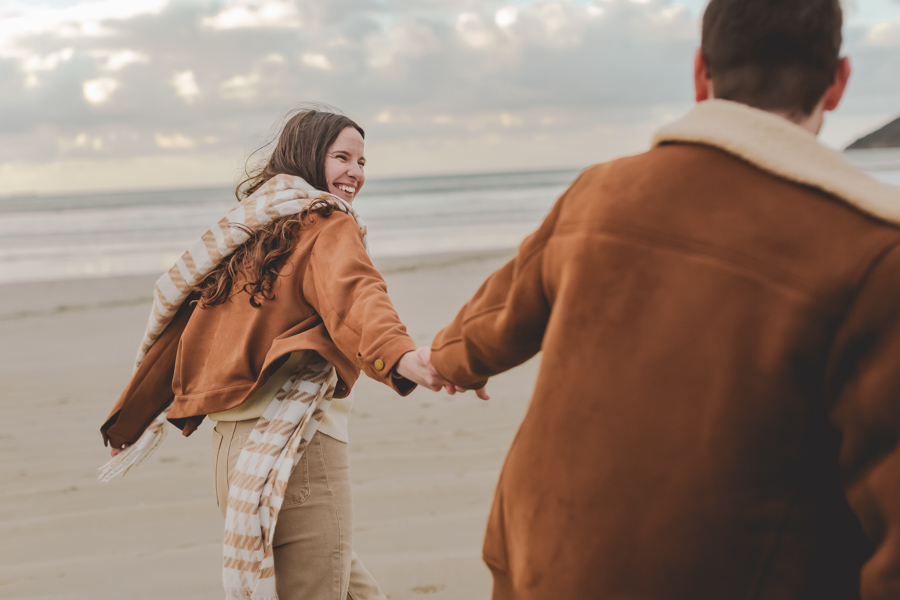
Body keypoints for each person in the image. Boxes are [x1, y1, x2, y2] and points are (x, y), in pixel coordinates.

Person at [426, 0, 900, 598]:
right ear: (837, 83)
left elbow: (497, 319)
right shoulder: (874, 252)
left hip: (536, 562)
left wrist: (441, 361)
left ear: (701, 74)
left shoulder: (602, 191)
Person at [100, 108, 473, 600]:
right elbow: (356, 295)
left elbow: (182, 333)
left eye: (362, 162)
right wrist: (401, 356)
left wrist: (129, 420)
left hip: (233, 456)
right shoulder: (327, 225)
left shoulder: (247, 232)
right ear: (307, 157)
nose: (355, 173)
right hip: (295, 446)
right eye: (341, 157)